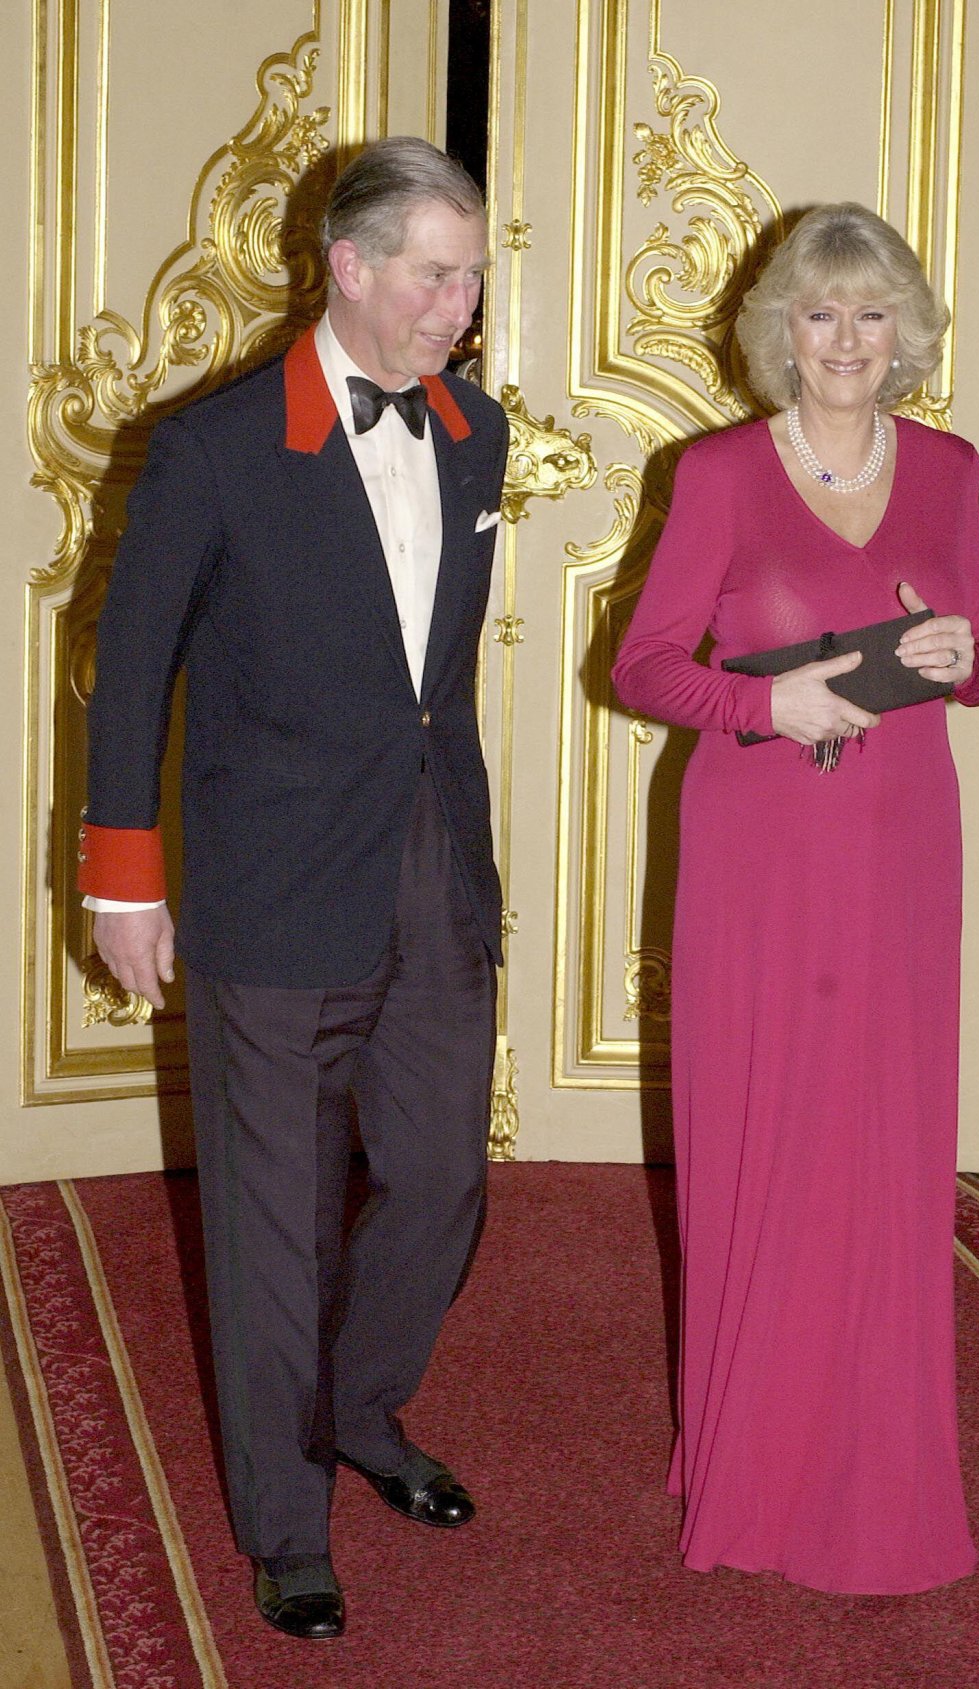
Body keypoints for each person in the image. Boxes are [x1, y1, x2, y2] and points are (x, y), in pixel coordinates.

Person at [79, 137, 509, 1640]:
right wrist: (123, 875)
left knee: (444, 1177)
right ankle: (285, 1519)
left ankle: (366, 1408)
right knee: (274, 1219)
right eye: (437, 273)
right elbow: (131, 671)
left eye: (471, 271)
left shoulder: (476, 431)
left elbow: (427, 690)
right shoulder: (214, 446)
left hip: (426, 864)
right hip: (269, 880)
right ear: (349, 265)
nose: (464, 300)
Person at [612, 202, 979, 1595]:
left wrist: (966, 655)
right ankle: (752, 1451)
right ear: (782, 330)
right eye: (821, 314)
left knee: (888, 1146)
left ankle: (874, 1454)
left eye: (871, 313)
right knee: (770, 1134)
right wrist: (764, 700)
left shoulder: (951, 468)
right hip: (762, 851)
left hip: (903, 842)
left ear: (905, 332)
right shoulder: (719, 471)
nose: (847, 340)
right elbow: (645, 667)